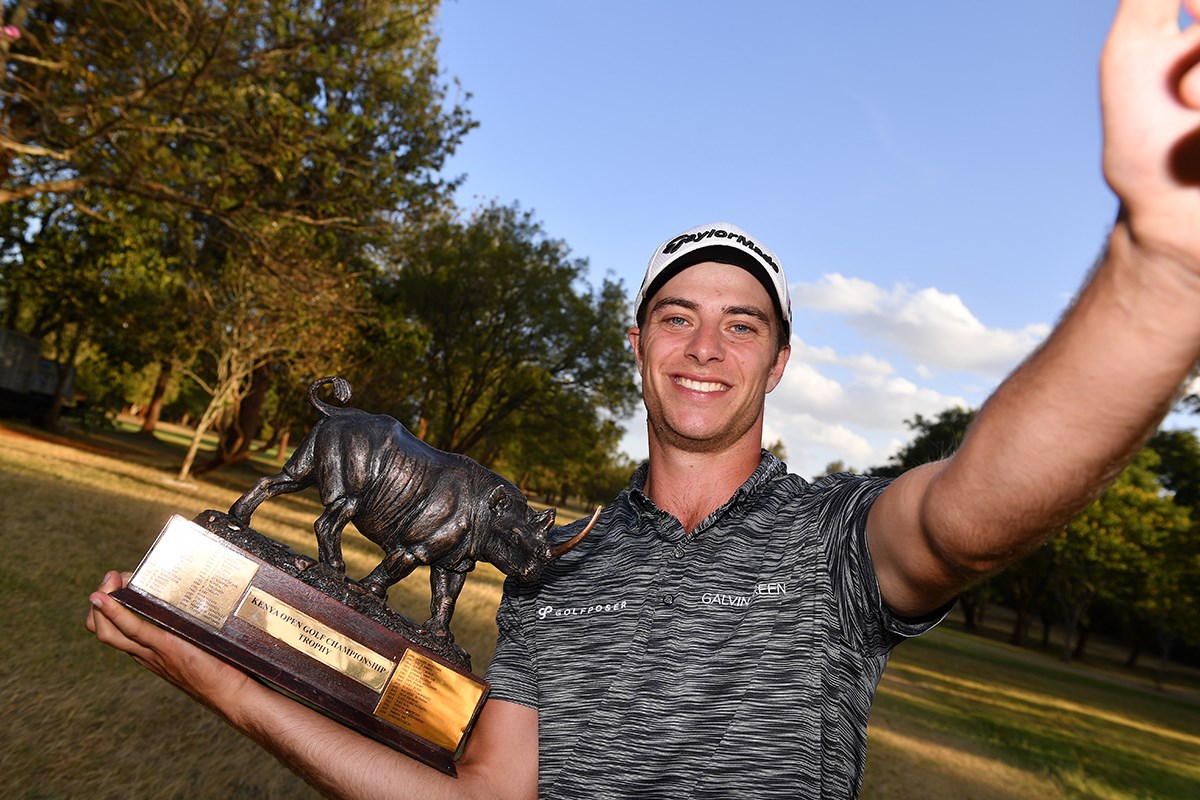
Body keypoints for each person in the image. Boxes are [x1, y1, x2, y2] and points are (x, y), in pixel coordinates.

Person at [87, 1, 1200, 797]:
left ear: (779, 362)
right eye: (678, 316)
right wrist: (224, 680)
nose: (706, 345)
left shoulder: (834, 539)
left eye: (742, 323)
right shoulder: (550, 565)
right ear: (637, 344)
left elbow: (975, 509)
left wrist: (1161, 271)